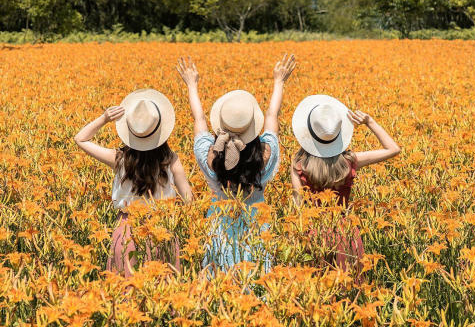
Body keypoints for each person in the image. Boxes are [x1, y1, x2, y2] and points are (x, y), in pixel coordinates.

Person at [176, 54, 296, 271]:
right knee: (258, 283)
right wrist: (279, 81)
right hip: (257, 229)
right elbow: (272, 115)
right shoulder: (266, 156)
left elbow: (199, 120)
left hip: (220, 229)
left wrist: (191, 84)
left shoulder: (211, 160)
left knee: (220, 285)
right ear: (252, 127)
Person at [73, 89, 193, 276]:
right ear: (160, 130)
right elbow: (189, 200)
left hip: (127, 231)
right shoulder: (171, 160)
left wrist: (104, 118)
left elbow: (80, 139)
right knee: (162, 295)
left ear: (130, 132)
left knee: (125, 293)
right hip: (162, 229)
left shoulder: (119, 159)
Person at [289, 94, 401, 271]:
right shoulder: (349, 160)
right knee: (349, 287)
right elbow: (394, 149)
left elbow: (297, 206)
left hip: (313, 233)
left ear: (309, 134)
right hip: (345, 233)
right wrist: (369, 121)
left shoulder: (299, 165)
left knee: (316, 290)